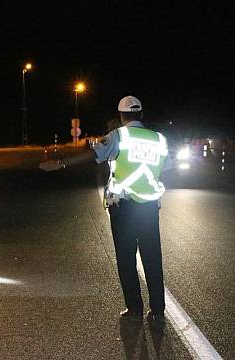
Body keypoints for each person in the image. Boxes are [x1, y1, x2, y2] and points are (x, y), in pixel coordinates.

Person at [39, 96, 169, 325]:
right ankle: (158, 311)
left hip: (125, 207)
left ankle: (135, 309)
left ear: (121, 116)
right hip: (149, 207)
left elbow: (94, 155)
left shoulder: (119, 136)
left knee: (127, 258)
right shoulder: (159, 139)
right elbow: (166, 166)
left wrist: (61, 164)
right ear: (141, 115)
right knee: (152, 257)